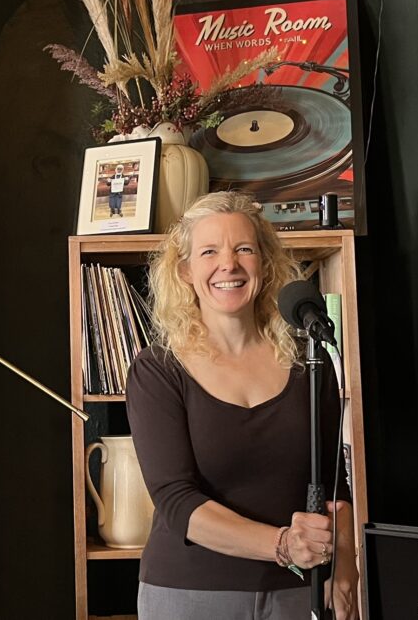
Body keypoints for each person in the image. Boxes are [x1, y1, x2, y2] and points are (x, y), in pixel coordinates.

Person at [126, 191, 359, 620]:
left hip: (298, 591)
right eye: (209, 251)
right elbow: (176, 501)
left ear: (265, 264)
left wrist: (346, 564)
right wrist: (282, 544)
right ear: (185, 271)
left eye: (244, 249)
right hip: (189, 593)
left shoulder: (310, 359)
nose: (228, 265)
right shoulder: (158, 370)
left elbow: (335, 482)